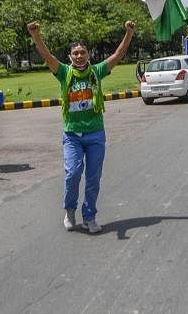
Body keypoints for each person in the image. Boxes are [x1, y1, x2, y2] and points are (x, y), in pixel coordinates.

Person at [27, 20, 135, 233]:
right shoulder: (64, 72)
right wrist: (35, 35)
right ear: (70, 56)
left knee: (93, 178)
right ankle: (69, 210)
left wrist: (129, 33)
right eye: (75, 53)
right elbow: (47, 56)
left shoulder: (97, 71)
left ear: (88, 54)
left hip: (95, 134)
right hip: (72, 135)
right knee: (73, 173)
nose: (79, 56)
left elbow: (118, 55)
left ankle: (89, 217)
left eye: (82, 52)